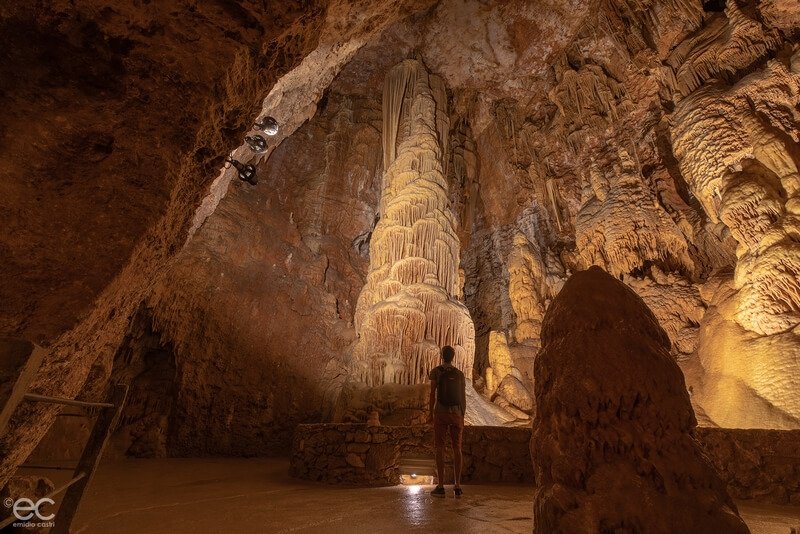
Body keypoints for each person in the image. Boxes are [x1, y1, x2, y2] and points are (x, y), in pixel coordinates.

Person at [428, 345, 466, 498]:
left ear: (442, 356)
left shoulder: (436, 371)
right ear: (453, 357)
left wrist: (430, 413)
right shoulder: (459, 374)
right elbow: (463, 396)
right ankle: (457, 485)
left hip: (441, 413)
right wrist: (462, 414)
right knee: (457, 448)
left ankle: (441, 485)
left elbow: (432, 394)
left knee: (440, 448)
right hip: (457, 414)